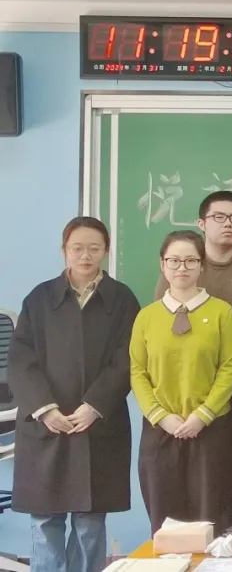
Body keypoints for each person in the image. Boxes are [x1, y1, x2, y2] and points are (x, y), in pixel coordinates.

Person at [8, 217, 140, 572]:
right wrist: (44, 408)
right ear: (64, 251)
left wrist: (95, 405)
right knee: (45, 521)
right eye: (77, 248)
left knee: (89, 522)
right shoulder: (39, 298)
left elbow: (128, 358)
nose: (85, 256)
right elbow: (20, 359)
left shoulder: (122, 299)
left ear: (106, 251)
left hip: (97, 424)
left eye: (94, 248)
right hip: (45, 425)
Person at [131, 230, 232, 534]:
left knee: (210, 521)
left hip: (210, 429)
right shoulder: (147, 316)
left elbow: (229, 367)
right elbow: (137, 371)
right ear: (162, 265)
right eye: (174, 261)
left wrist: (202, 415)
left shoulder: (222, 312)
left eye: (191, 260)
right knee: (165, 524)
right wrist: (160, 416)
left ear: (201, 265)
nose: (182, 267)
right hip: (160, 431)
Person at [154, 191, 232, 314]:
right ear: (201, 224)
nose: (228, 224)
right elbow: (161, 314)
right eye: (219, 217)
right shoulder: (180, 267)